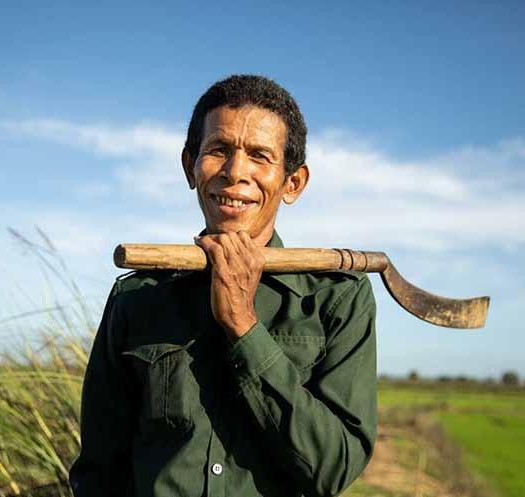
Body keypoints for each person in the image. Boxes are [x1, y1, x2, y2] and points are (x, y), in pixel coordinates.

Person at [69, 74, 378, 497]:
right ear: (189, 166)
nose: (236, 173)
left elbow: (333, 469)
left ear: (293, 183)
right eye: (218, 150)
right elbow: (100, 471)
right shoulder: (137, 296)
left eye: (259, 156)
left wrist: (243, 327)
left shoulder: (337, 298)